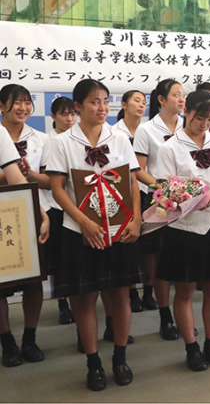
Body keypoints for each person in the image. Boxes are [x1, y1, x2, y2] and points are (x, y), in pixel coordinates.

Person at [47, 79, 147, 391]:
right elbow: (57, 187)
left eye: (105, 101)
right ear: (77, 106)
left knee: (120, 296)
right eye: (94, 101)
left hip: (121, 230)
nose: (102, 107)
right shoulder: (61, 142)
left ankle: (120, 358)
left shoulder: (119, 138)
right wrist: (83, 222)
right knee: (84, 299)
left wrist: (136, 219)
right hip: (80, 232)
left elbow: (132, 182)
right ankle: (93, 362)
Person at [155, 91, 210, 371]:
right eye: (199, 118)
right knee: (185, 290)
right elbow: (166, 191)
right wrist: (194, 201)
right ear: (186, 112)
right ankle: (191, 347)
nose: (204, 124)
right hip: (186, 228)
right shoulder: (170, 148)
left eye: (209, 119)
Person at [0, 84, 50, 368]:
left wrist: (40, 213)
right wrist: (10, 175)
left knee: (34, 278)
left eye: (27, 102)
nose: (23, 107)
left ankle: (29, 338)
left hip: (29, 210)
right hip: (3, 213)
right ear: (1, 107)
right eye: (15, 102)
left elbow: (42, 181)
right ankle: (7, 342)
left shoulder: (41, 138)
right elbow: (10, 177)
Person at [133, 79, 186, 340]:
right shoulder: (146, 130)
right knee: (159, 260)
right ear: (161, 100)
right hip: (158, 202)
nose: (181, 99)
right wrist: (164, 187)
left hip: (188, 201)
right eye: (176, 95)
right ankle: (165, 316)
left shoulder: (190, 125)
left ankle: (183, 318)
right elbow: (139, 170)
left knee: (182, 258)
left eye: (183, 95)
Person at [112, 89, 159, 314]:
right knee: (129, 244)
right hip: (123, 193)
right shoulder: (113, 132)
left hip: (150, 191)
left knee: (150, 247)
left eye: (144, 102)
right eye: (136, 101)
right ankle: (131, 293)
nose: (141, 105)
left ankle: (149, 291)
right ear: (123, 104)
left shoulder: (150, 129)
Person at [45, 96, 78, 325]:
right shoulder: (48, 141)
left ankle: (77, 300)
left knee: (74, 259)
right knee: (58, 260)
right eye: (64, 114)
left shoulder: (79, 140)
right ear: (53, 116)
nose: (69, 118)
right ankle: (62, 302)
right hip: (54, 206)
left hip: (79, 206)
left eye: (72, 114)